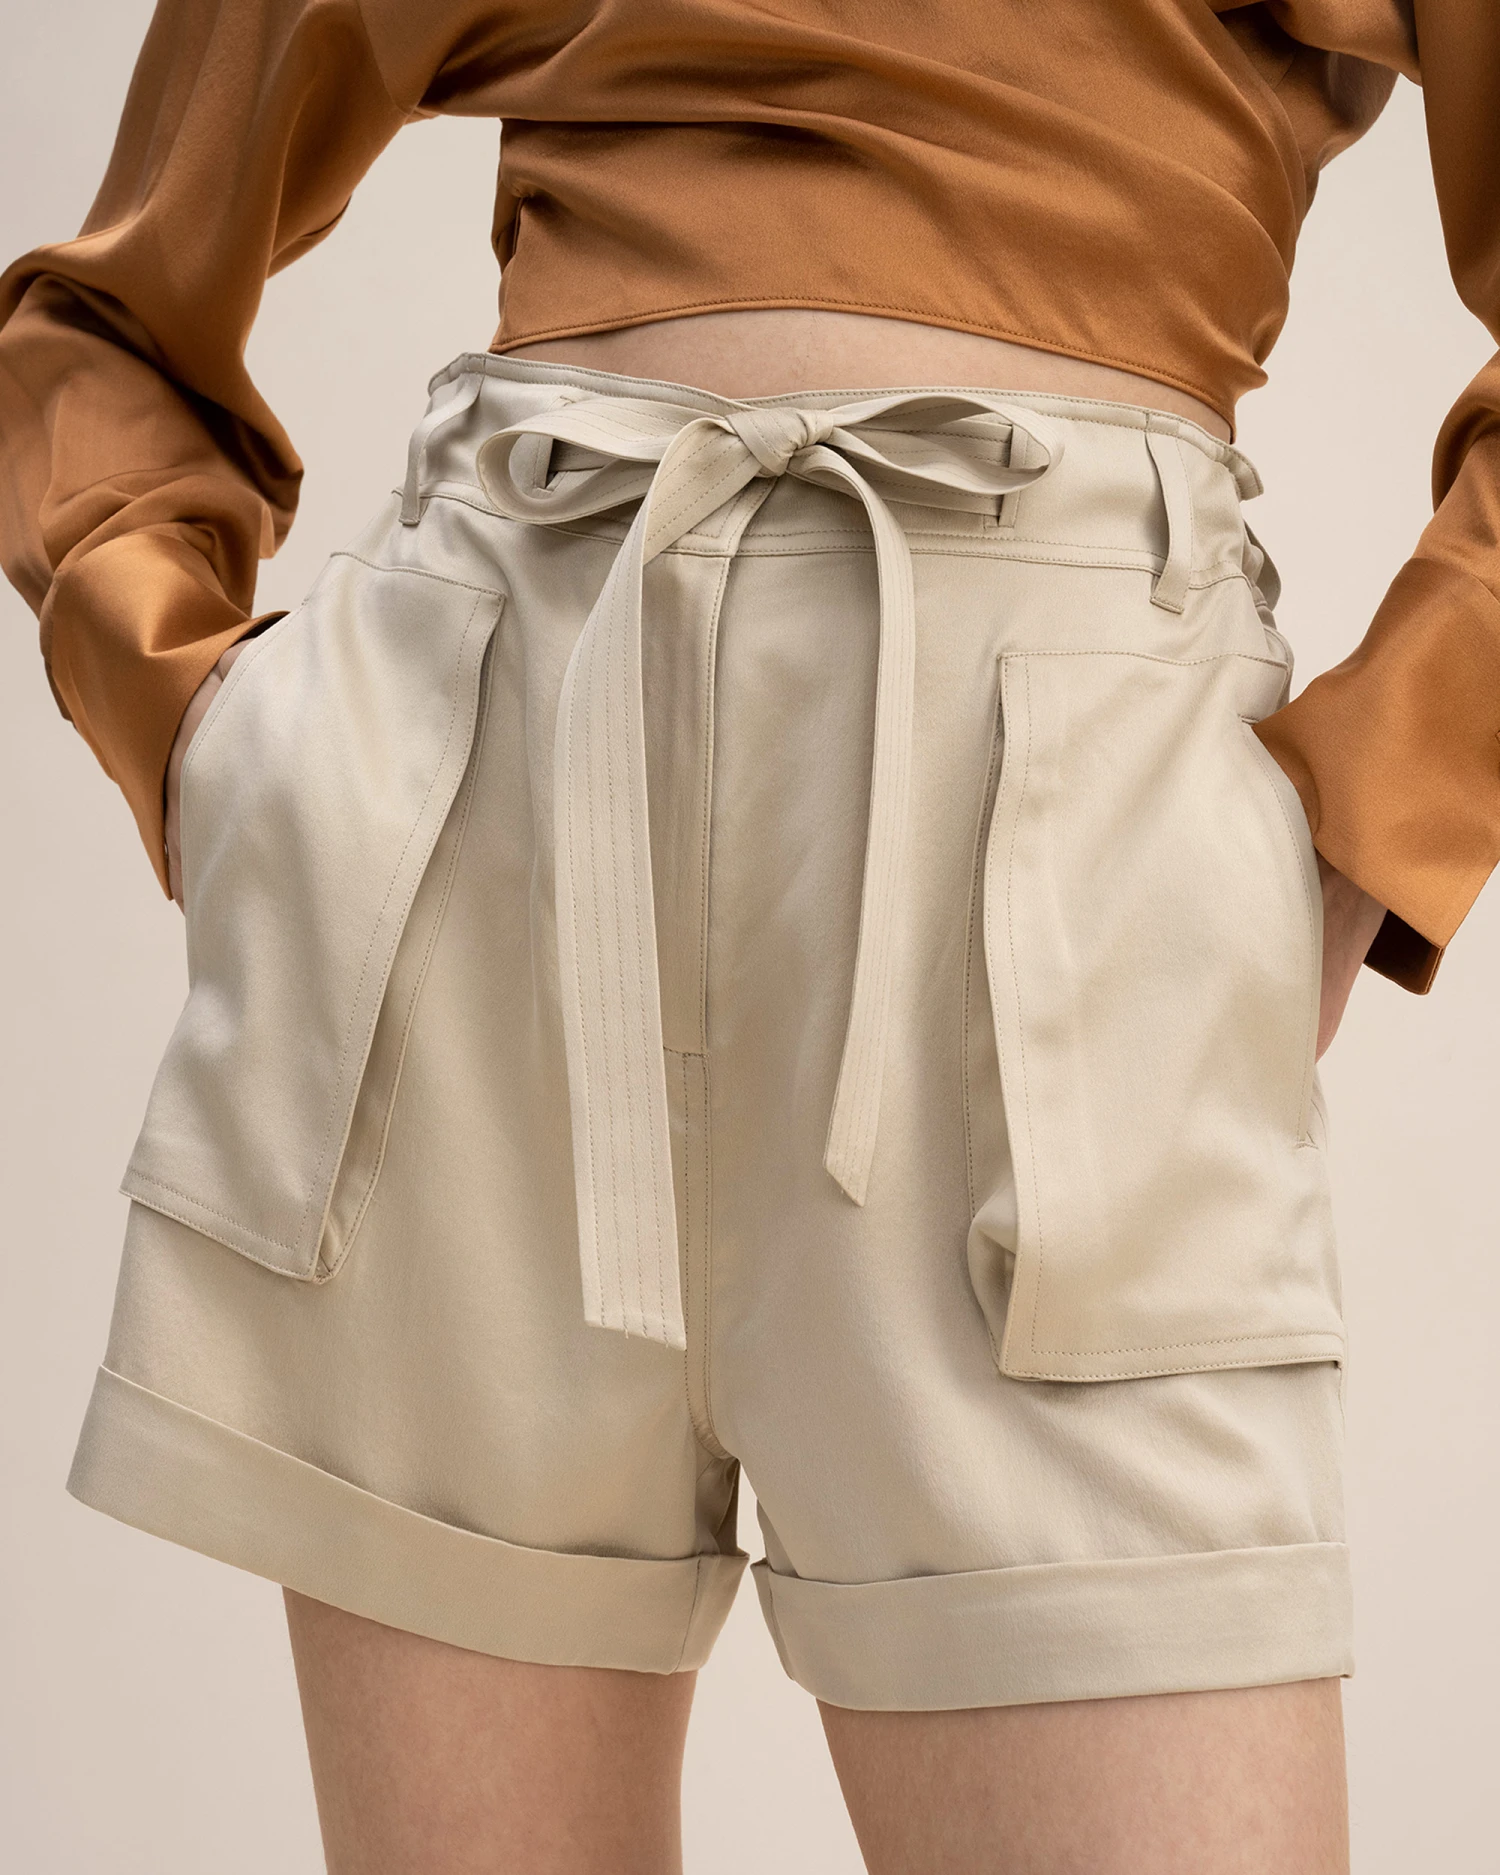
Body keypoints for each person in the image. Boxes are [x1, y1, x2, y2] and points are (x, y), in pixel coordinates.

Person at [0, 2, 1493, 1869]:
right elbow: (108, 320)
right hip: (483, 857)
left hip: (1066, 876)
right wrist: (206, 733)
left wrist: (1384, 795)